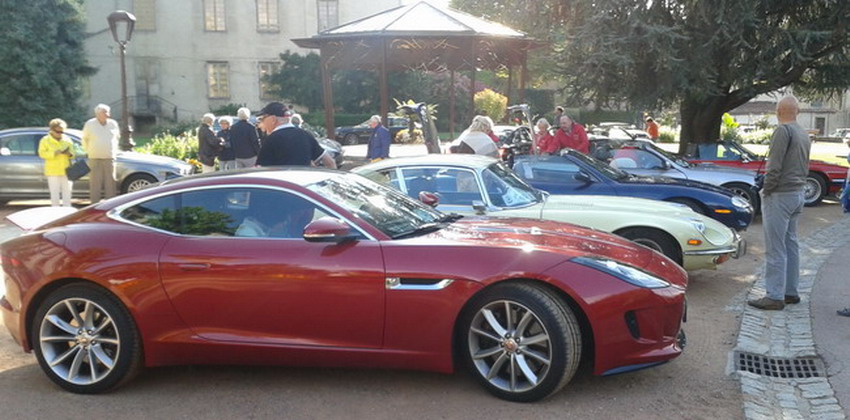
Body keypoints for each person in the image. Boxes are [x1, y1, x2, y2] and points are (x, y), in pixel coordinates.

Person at [748, 96, 811, 311]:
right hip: (798, 192)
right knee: (791, 244)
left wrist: (767, 190)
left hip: (781, 194)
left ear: (777, 112)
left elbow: (774, 167)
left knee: (775, 248)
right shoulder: (803, 133)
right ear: (797, 112)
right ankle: (790, 291)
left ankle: (774, 295)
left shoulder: (782, 131)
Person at [256, 102, 336, 168]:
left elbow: (260, 169)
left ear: (273, 119)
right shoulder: (305, 135)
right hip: (303, 181)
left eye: (262, 119)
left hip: (283, 182)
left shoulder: (271, 139)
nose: (260, 124)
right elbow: (330, 163)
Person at [81, 103, 119, 202]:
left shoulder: (113, 124)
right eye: (105, 112)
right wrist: (89, 151)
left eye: (108, 112)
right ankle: (94, 204)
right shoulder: (90, 124)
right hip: (95, 158)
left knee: (111, 183)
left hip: (109, 157)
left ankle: (111, 204)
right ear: (98, 113)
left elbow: (117, 138)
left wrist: (114, 151)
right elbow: (84, 139)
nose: (108, 114)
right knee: (95, 184)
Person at [38, 119, 75, 207]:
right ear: (51, 130)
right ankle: (55, 212)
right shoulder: (45, 140)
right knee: (54, 194)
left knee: (67, 193)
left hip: (66, 170)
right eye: (58, 131)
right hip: (53, 171)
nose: (60, 134)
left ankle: (67, 211)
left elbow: (73, 154)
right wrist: (54, 153)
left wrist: (69, 153)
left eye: (62, 131)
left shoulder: (67, 139)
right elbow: (41, 153)